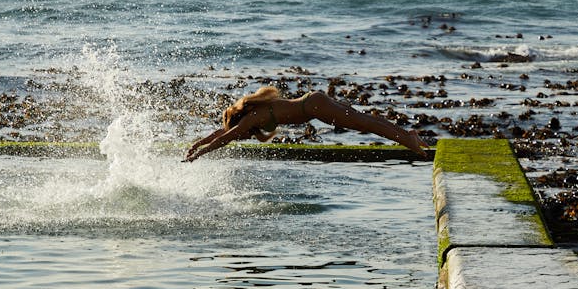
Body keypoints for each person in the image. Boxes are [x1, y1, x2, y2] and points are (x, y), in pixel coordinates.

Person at [183, 86, 429, 161]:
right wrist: (197, 143)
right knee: (365, 122)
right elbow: (223, 133)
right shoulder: (252, 116)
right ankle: (409, 136)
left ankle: (408, 139)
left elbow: (224, 137)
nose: (242, 136)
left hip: (314, 106)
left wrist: (200, 153)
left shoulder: (251, 119)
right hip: (314, 102)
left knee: (365, 123)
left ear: (238, 120)